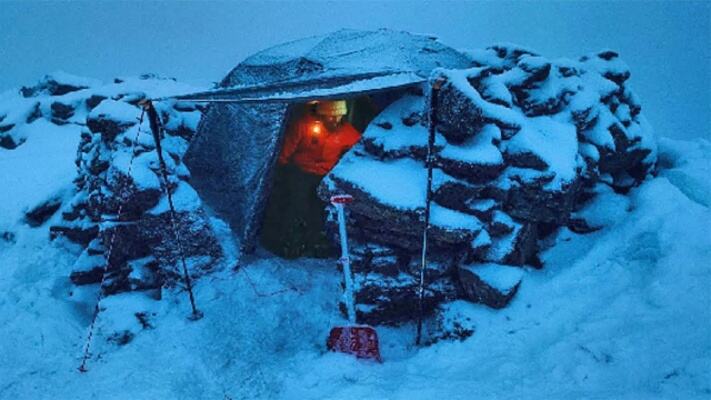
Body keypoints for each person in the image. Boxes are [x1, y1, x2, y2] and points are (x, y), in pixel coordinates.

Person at [261, 100, 361, 259]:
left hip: (324, 175)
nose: (335, 120)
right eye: (330, 117)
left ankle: (312, 241)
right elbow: (286, 149)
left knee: (318, 209)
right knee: (295, 204)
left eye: (338, 116)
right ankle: (284, 240)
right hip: (300, 171)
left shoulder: (347, 132)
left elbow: (358, 148)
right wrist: (280, 171)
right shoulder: (304, 125)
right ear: (322, 114)